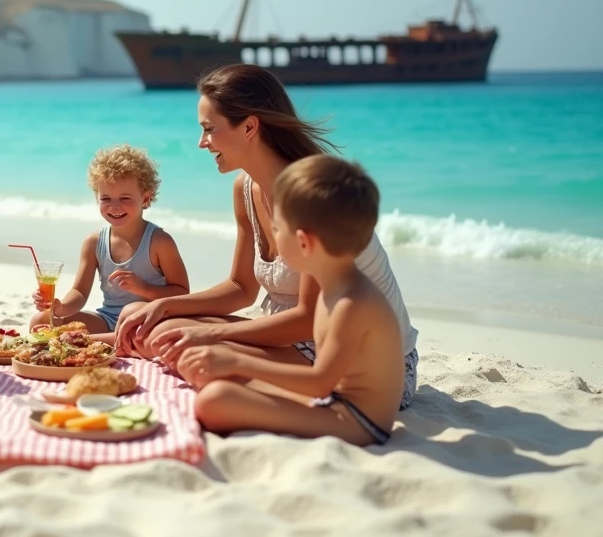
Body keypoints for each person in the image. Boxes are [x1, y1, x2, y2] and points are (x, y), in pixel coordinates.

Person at [115, 63, 419, 409]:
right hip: (293, 339)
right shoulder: (245, 188)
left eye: (209, 130)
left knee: (182, 346)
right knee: (151, 322)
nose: (202, 143)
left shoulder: (312, 194)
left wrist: (210, 333)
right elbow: (242, 288)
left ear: (249, 127)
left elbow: (308, 318)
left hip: (368, 365)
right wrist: (165, 304)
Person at [178, 155, 403, 446]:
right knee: (218, 383)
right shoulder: (333, 285)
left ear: (304, 243)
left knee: (215, 400)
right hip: (332, 401)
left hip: (357, 421)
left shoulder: (350, 304)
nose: (273, 235)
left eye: (277, 228)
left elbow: (320, 382)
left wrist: (237, 360)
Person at [31, 144, 189, 337]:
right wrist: (61, 308)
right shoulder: (94, 242)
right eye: (106, 198)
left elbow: (181, 293)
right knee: (39, 322)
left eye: (124, 198)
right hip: (107, 320)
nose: (115, 206)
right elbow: (80, 292)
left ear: (146, 198)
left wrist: (143, 288)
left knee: (134, 326)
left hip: (147, 321)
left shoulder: (159, 241)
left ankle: (97, 341)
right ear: (96, 197)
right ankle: (102, 340)